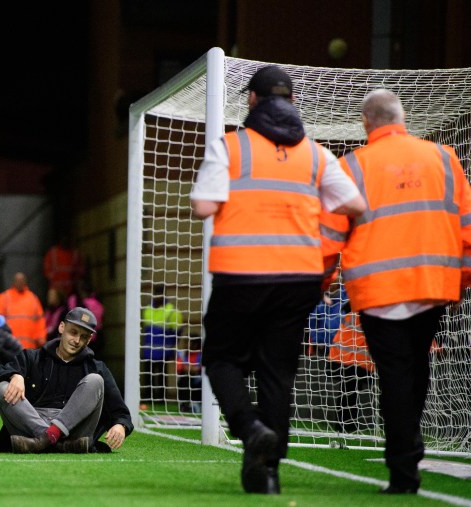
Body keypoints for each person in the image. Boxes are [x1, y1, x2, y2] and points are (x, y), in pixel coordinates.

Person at [189, 65, 365, 494]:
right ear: (292, 102)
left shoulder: (231, 147)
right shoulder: (317, 154)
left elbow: (202, 206)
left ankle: (250, 431)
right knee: (276, 373)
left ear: (252, 100)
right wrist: (319, 240)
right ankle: (268, 473)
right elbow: (355, 205)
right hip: (299, 278)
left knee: (221, 359)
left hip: (241, 274)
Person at [318, 89, 471, 494]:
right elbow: (467, 225)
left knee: (395, 375)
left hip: (378, 290)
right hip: (433, 285)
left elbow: (330, 237)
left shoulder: (352, 166)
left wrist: (319, 283)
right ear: (402, 118)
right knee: (414, 370)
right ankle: (407, 455)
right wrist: (461, 280)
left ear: (367, 122)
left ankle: (404, 467)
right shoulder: (444, 158)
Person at [0, 307, 133, 454]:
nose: (76, 340)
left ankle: (43, 442)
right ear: (62, 327)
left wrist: (121, 426)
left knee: (95, 380)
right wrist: (15, 375)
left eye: (83, 337)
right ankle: (56, 442)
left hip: (74, 431)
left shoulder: (97, 367)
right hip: (33, 426)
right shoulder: (32, 357)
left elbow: (120, 412)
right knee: (2, 388)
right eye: (73, 332)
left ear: (89, 340)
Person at [325, 307, 375, 434]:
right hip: (354, 358)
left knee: (348, 390)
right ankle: (347, 425)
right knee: (350, 390)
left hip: (343, 356)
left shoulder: (351, 313)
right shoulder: (365, 314)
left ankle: (346, 424)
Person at [0, 272, 46, 349]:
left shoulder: (33, 298)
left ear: (25, 282)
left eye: (21, 280)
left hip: (29, 346)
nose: (19, 283)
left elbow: (39, 320)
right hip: (9, 346)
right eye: (17, 280)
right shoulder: (4, 298)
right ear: (13, 282)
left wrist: (41, 338)